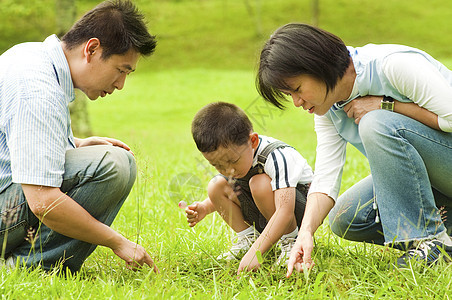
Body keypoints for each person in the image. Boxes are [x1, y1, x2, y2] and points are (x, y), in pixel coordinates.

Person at [255, 23, 452, 276]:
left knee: (375, 122)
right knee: (346, 217)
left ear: (318, 65)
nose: (297, 102)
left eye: (297, 89)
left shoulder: (392, 66)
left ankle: (430, 244)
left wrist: (387, 106)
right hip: (437, 179)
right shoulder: (329, 108)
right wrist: (305, 233)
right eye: (288, 95)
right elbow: (326, 178)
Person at [0, 0, 159, 273]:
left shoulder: (33, 57)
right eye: (121, 70)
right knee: (112, 166)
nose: (120, 84)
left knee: (108, 159)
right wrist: (117, 242)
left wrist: (76, 145)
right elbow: (42, 201)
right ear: (92, 49)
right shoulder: (38, 91)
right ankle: (31, 267)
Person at [185, 101, 313, 273]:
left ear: (253, 141)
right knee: (217, 185)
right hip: (267, 208)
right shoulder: (236, 162)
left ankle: (291, 241)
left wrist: (256, 253)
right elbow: (231, 191)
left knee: (258, 183)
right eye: (217, 165)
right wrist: (205, 208)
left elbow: (285, 211)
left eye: (232, 161)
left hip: (298, 211)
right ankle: (249, 239)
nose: (227, 170)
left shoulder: (276, 156)